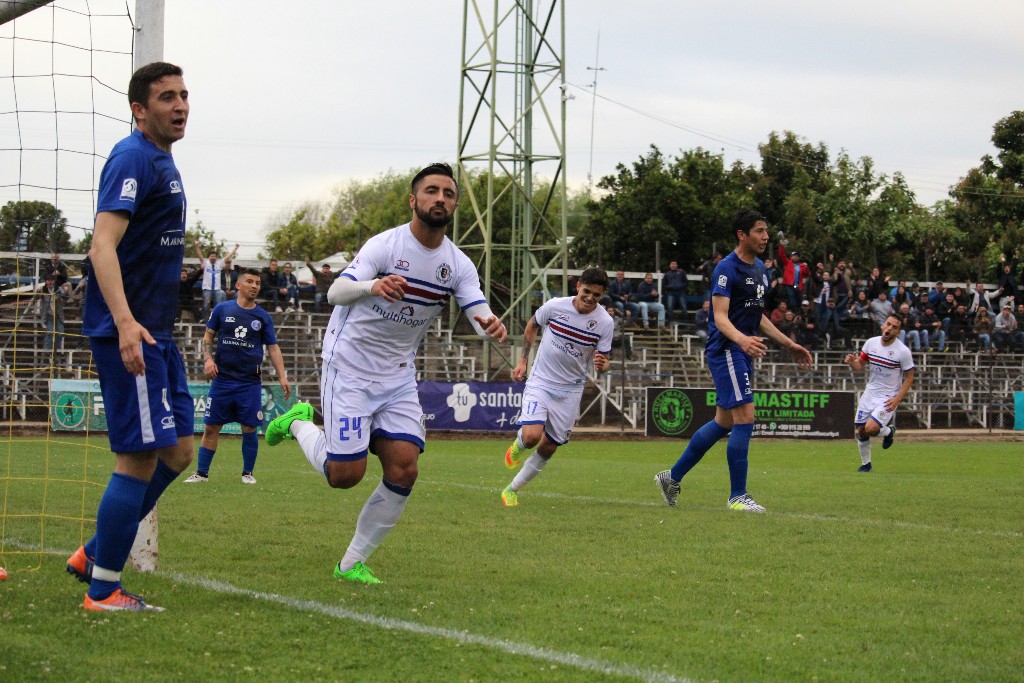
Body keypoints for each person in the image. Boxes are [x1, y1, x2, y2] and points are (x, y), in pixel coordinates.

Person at [263, 163, 507, 585]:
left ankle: (350, 563)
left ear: (454, 206)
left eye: (448, 194)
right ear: (413, 200)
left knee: (404, 469)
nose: (440, 198)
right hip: (350, 367)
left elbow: (477, 308)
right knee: (345, 476)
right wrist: (372, 286)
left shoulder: (458, 264)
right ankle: (299, 422)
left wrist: (489, 323)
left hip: (396, 375)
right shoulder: (385, 245)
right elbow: (336, 291)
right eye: (431, 191)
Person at [68, 61, 193, 612]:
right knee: (138, 459)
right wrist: (124, 323)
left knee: (179, 452)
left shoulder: (162, 159)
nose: (180, 105)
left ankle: (94, 552)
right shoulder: (133, 157)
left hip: (158, 333)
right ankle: (103, 590)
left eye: (184, 95)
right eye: (167, 97)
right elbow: (102, 246)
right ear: (139, 110)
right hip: (132, 331)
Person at [654, 210, 812, 513]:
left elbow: (757, 316)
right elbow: (720, 317)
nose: (765, 237)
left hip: (741, 349)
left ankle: (671, 477)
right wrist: (742, 340)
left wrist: (789, 344)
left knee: (724, 422)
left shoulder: (761, 270)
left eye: (766, 231)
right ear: (742, 234)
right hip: (727, 349)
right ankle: (738, 496)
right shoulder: (726, 268)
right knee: (745, 418)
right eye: (759, 231)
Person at [501, 268, 614, 507]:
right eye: (586, 291)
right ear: (578, 286)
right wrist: (523, 361)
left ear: (602, 295)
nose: (590, 298)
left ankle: (511, 489)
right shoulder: (555, 306)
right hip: (541, 381)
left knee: (549, 446)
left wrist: (603, 365)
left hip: (570, 390)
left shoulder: (605, 322)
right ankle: (518, 446)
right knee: (531, 436)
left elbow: (603, 362)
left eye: (596, 295)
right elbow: (532, 325)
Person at [183, 269, 290, 485]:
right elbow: (208, 337)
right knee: (211, 427)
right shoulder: (222, 309)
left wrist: (282, 376)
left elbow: (273, 347)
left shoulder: (263, 317)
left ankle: (247, 474)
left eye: (257, 283)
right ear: (238, 285)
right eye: (250, 281)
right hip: (222, 380)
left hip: (249, 382)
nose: (254, 286)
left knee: (249, 428)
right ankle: (201, 474)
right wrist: (208, 359)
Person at [843, 314, 914, 472]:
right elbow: (860, 365)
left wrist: (897, 399)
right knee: (861, 431)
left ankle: (888, 431)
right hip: (870, 393)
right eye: (888, 324)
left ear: (898, 332)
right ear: (883, 325)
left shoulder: (903, 351)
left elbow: (910, 377)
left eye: (894, 327)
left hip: (888, 397)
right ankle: (866, 465)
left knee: (870, 429)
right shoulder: (871, 343)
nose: (890, 328)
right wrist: (852, 362)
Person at [194, 241, 239, 321]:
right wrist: (196, 246)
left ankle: (216, 320)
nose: (213, 257)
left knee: (217, 306)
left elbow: (228, 256)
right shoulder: (205, 263)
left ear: (216, 258)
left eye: (214, 256)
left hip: (217, 289)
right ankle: (205, 320)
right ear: (209, 257)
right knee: (206, 305)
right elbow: (199, 255)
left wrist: (235, 248)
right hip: (207, 289)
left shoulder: (219, 264)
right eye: (211, 256)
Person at [38, 273, 70, 351]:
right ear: (46, 281)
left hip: (58, 315)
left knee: (60, 333)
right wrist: (38, 292)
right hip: (48, 315)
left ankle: (57, 350)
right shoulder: (43, 289)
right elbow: (36, 297)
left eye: (52, 280)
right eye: (48, 280)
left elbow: (66, 298)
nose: (50, 282)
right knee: (49, 333)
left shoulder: (58, 289)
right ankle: (47, 351)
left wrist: (66, 292)